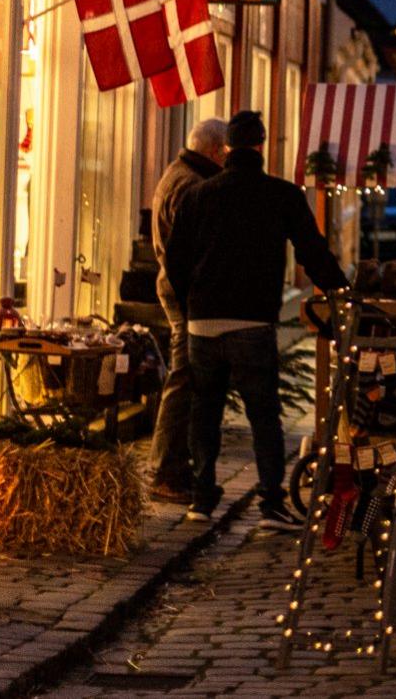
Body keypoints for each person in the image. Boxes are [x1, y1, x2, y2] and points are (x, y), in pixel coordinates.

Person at [165, 112, 348, 529]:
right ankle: (270, 501)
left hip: (203, 322)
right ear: (262, 147)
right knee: (264, 414)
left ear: (226, 148)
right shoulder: (280, 195)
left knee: (204, 410)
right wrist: (340, 290)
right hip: (252, 321)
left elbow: (175, 260)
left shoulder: (198, 195)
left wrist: (191, 298)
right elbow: (312, 251)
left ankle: (202, 497)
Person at [147, 119, 227, 505]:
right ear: (216, 151)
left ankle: (175, 467)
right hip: (186, 292)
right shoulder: (192, 185)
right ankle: (164, 470)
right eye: (227, 152)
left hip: (181, 287)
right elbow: (189, 249)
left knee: (188, 375)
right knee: (184, 375)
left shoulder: (180, 174)